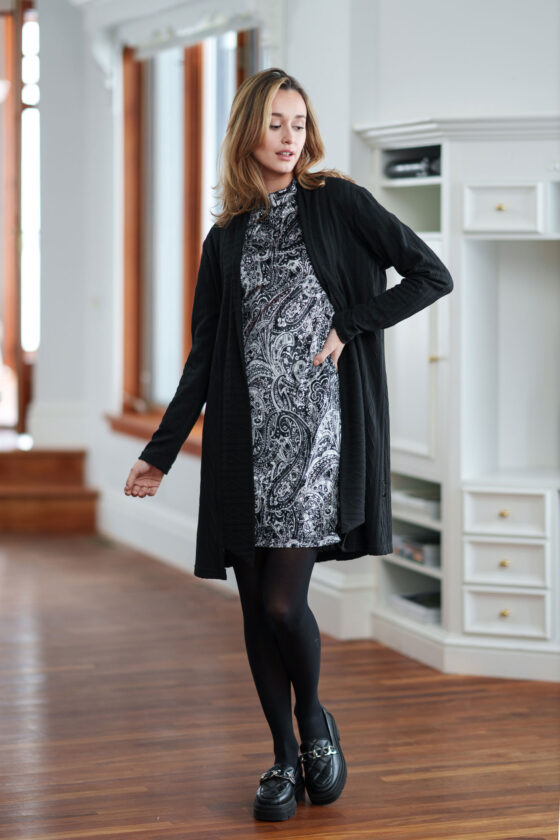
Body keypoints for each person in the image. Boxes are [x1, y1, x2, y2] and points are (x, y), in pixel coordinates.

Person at [124, 67, 453, 822]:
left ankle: (314, 724)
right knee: (253, 612)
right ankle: (280, 757)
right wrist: (161, 451)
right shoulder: (227, 236)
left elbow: (430, 274)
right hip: (245, 443)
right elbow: (204, 358)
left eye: (298, 122)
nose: (288, 136)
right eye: (275, 122)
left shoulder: (336, 202)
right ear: (248, 130)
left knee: (281, 603)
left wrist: (352, 324)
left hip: (319, 437)